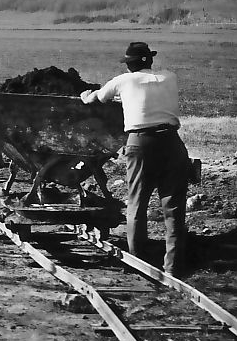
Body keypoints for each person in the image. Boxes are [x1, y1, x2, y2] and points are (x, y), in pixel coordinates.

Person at [81, 41, 189, 276]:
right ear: (150, 60)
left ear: (128, 65)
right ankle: (173, 267)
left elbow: (97, 99)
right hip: (172, 142)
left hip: (141, 143)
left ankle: (138, 262)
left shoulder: (123, 80)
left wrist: (85, 95)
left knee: (137, 203)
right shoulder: (170, 77)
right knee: (174, 208)